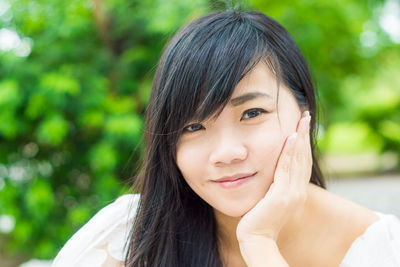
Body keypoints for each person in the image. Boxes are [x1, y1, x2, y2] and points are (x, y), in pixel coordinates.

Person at [52, 9, 400, 267]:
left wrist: (260, 242)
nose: (226, 152)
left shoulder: (382, 249)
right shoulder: (128, 238)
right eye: (193, 127)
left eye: (252, 113)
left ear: (304, 113)